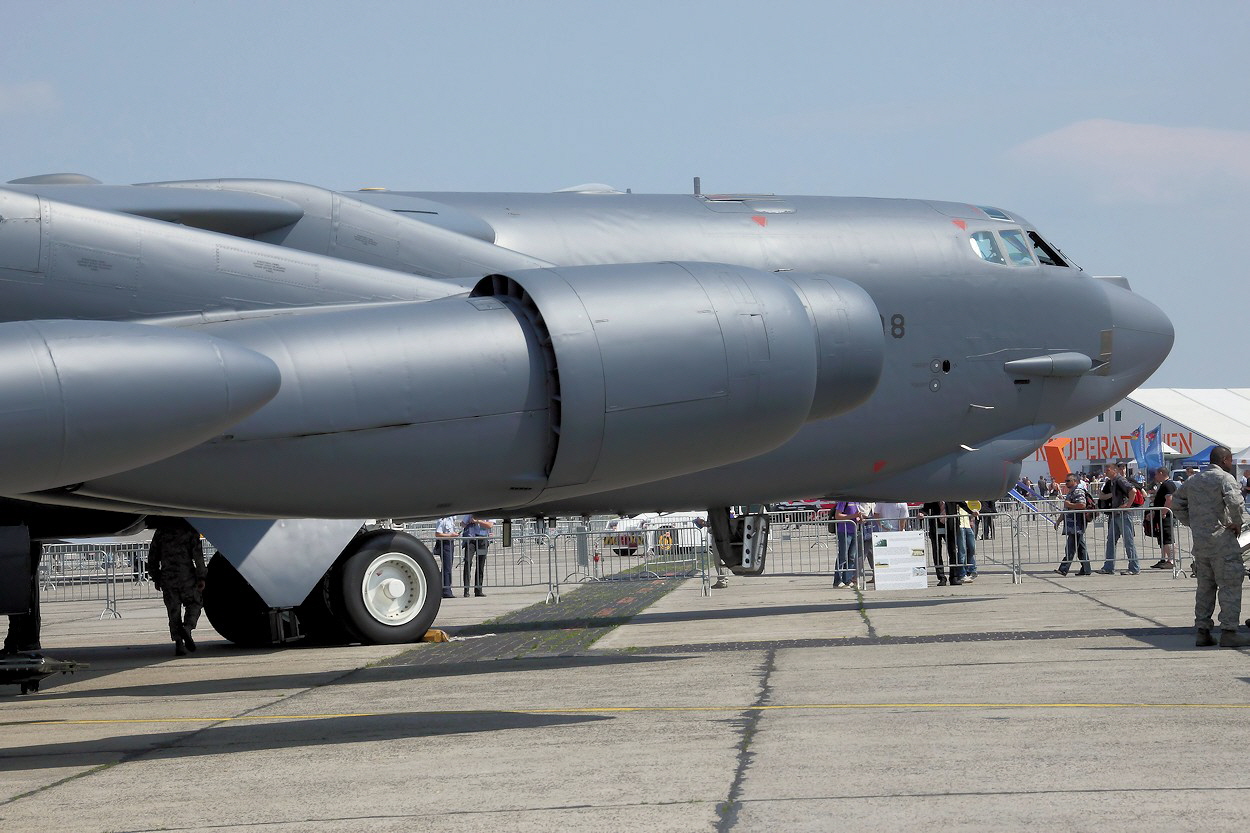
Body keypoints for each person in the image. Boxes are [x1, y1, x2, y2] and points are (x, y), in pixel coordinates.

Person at [1173, 446, 1250, 648]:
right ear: (1224, 460)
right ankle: (1229, 631)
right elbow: (1235, 502)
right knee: (1230, 585)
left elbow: (1176, 504)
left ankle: (1203, 631)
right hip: (1222, 542)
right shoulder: (1224, 478)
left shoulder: (1193, 480)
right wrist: (1237, 522)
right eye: (1230, 461)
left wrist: (1194, 523)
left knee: (1205, 587)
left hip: (1201, 543)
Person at [147, 518, 207, 656]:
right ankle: (188, 627)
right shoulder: (189, 530)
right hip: (186, 577)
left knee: (173, 611)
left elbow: (153, 557)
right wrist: (202, 577)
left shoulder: (161, 532)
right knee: (195, 603)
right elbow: (198, 556)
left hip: (168, 578)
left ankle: (179, 643)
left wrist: (156, 577)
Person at [1095, 462, 1140, 575]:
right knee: (1110, 541)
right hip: (1115, 514)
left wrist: (1128, 505)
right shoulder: (1112, 482)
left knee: (1128, 542)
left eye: (1108, 470)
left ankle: (1134, 567)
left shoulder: (1120, 480)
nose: (1105, 472)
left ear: (1114, 470)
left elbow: (1133, 491)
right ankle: (1108, 567)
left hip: (1124, 515)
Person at [1055, 473, 1093, 576]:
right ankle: (1086, 569)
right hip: (1072, 525)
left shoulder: (1078, 491)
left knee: (1071, 547)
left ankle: (1063, 568)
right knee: (1081, 548)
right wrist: (1059, 520)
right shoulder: (1071, 492)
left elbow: (1082, 505)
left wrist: (1070, 504)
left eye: (1068, 481)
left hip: (1077, 524)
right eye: (1066, 481)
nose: (1066, 483)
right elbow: (1066, 509)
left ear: (1075, 481)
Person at [1146, 467, 1179, 570]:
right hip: (1161, 516)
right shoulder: (1163, 485)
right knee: (1163, 539)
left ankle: (1171, 561)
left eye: (1156, 474)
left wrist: (1164, 512)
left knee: (1168, 539)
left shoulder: (1168, 485)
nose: (1155, 477)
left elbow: (1169, 499)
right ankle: (1164, 559)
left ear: (1161, 473)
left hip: (1166, 516)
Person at [831, 501, 868, 588]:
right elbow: (838, 516)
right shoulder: (843, 501)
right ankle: (837, 580)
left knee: (851, 556)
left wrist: (860, 519)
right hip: (844, 531)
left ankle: (847, 579)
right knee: (843, 556)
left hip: (854, 530)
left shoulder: (857, 502)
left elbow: (856, 516)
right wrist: (853, 516)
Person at [461, 514, 494, 597]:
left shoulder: (489, 512)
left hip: (482, 539)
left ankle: (478, 589)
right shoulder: (472, 513)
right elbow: (462, 524)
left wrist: (478, 521)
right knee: (468, 562)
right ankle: (466, 590)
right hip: (471, 538)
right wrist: (469, 522)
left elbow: (490, 525)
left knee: (480, 564)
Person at [433, 516, 459, 599]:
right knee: (446, 568)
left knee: (448, 567)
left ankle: (444, 588)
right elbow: (438, 533)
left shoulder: (451, 519)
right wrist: (450, 535)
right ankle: (446, 590)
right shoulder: (442, 520)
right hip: (445, 543)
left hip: (450, 542)